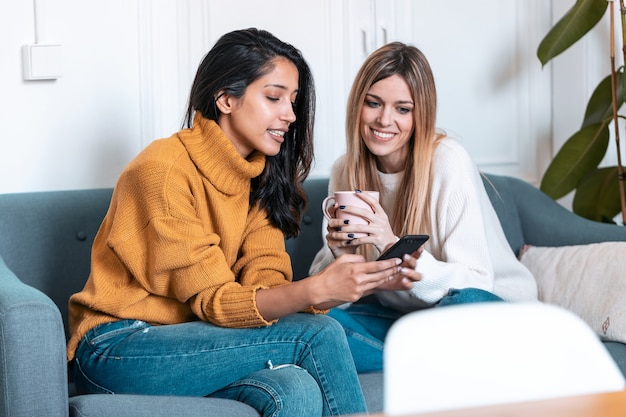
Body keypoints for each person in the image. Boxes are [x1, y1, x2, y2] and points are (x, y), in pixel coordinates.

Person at [66, 28, 406, 417]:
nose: (290, 115)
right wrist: (313, 290)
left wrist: (335, 290)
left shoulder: (260, 178)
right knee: (319, 335)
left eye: (293, 101)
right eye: (274, 97)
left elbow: (266, 288)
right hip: (119, 348)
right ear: (226, 99)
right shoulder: (161, 172)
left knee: (293, 389)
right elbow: (216, 301)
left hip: (200, 341)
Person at [309, 41, 538, 373]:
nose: (384, 120)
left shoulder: (448, 161)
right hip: (410, 320)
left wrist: (390, 244)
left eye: (403, 109)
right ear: (357, 105)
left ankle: (416, 359)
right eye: (373, 103)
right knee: (317, 326)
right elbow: (331, 296)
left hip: (487, 308)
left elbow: (477, 283)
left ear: (421, 114)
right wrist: (341, 255)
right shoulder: (346, 170)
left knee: (467, 302)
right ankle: (432, 362)